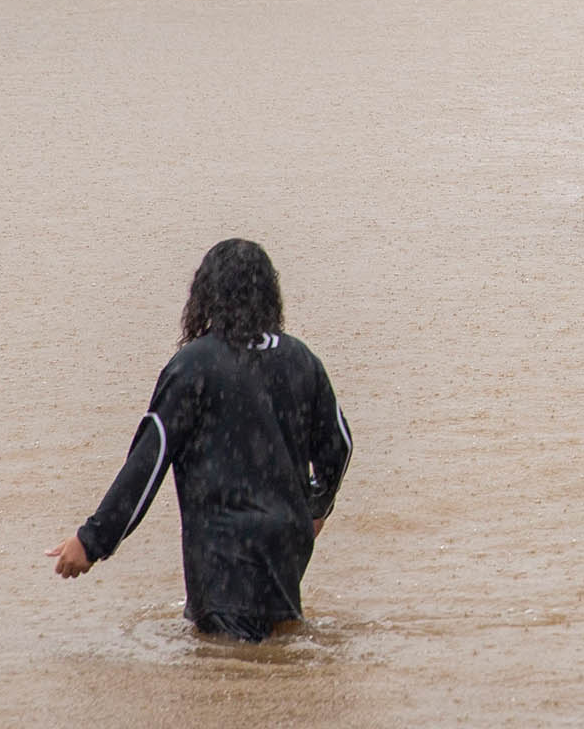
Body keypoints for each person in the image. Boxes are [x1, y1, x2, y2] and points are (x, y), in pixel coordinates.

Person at [46, 239, 353, 643]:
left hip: (223, 549)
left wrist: (92, 540)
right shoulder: (300, 359)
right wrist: (316, 508)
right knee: (282, 646)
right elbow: (340, 446)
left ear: (206, 295)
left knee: (229, 669)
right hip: (286, 545)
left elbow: (148, 463)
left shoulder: (194, 365)